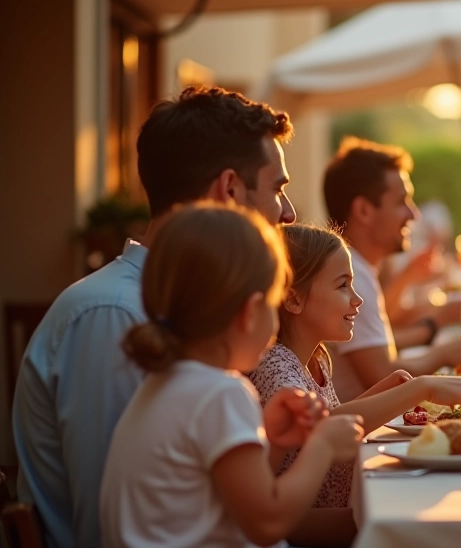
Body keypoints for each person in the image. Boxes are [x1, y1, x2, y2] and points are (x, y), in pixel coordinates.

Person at [12, 86, 297, 548]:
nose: (288, 212)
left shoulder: (177, 309)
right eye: (277, 188)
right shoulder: (114, 315)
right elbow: (115, 528)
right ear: (229, 189)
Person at [100, 204, 363, 547]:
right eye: (273, 303)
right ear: (250, 312)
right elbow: (268, 522)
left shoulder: (164, 384)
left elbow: (236, 497)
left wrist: (274, 442)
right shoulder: (220, 393)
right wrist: (323, 445)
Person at [246, 223, 461, 545]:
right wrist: (420, 389)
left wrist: (385, 393)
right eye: (343, 286)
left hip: (339, 502)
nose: (357, 299)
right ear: (293, 300)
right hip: (307, 525)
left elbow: (334, 417)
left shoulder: (317, 357)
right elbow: (315, 430)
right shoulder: (275, 364)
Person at [322, 137, 461, 402]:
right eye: (401, 201)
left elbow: (387, 333)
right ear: (363, 210)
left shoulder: (358, 268)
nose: (414, 214)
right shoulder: (351, 274)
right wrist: (442, 351)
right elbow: (384, 376)